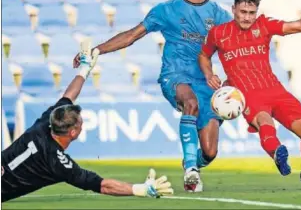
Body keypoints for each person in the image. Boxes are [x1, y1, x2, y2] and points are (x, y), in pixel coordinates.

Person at [72, 0, 232, 192]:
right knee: (189, 102)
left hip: (205, 83)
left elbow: (236, 51)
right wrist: (97, 50)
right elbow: (132, 35)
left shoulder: (219, 16)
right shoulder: (166, 10)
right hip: (175, 76)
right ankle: (191, 171)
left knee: (209, 152)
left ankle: (194, 162)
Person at [198, 0, 301, 191]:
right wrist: (209, 74)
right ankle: (277, 154)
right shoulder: (218, 33)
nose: (247, 18)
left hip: (276, 90)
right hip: (246, 94)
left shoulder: (264, 25)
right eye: (243, 12)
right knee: (264, 122)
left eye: (251, 13)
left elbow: (299, 25)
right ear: (233, 9)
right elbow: (203, 55)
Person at [2, 44, 173, 202]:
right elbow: (102, 185)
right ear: (73, 133)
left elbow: (69, 95)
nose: (82, 123)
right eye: (81, 123)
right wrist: (141, 189)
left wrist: (85, 69)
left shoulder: (45, 123)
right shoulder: (57, 163)